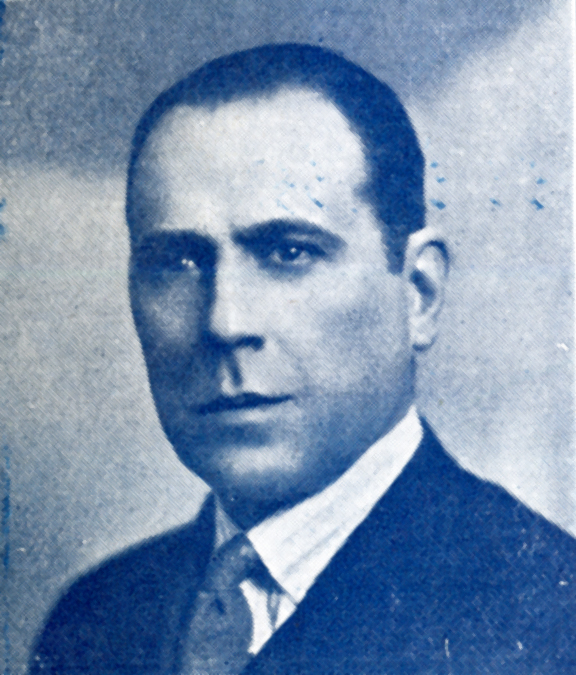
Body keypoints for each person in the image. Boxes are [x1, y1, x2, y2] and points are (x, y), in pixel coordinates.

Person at [31, 44, 576, 675]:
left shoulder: (549, 621)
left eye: (288, 252)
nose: (224, 322)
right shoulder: (93, 620)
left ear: (418, 294)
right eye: (176, 262)